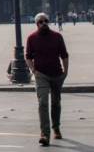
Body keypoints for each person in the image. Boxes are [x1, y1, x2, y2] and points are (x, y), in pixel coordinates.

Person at [25, 12, 69, 147]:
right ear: (36, 24)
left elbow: (64, 55)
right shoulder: (31, 38)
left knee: (56, 102)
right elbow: (28, 56)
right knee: (42, 103)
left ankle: (56, 127)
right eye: (41, 22)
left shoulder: (57, 36)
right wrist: (33, 70)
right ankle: (45, 134)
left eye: (46, 21)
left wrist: (65, 72)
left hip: (56, 74)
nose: (44, 23)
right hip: (41, 75)